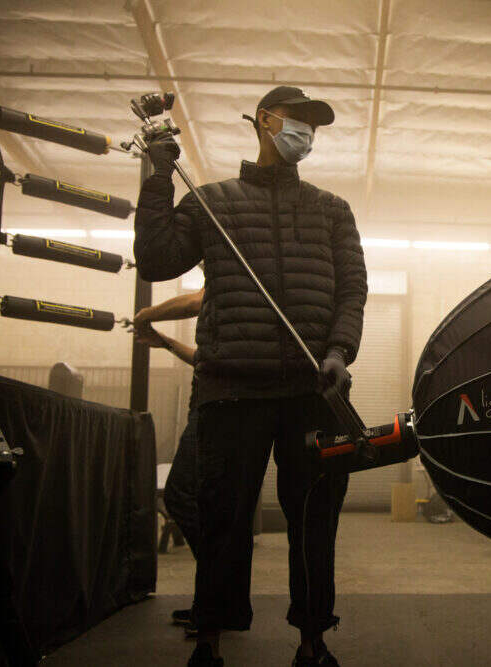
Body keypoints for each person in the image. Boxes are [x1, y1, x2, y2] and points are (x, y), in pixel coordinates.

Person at [134, 86, 367, 667]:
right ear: (266, 121)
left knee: (314, 521)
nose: (307, 134)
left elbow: (352, 291)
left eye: (315, 126)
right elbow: (158, 259)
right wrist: (158, 174)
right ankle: (209, 640)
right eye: (299, 121)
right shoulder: (212, 201)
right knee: (222, 521)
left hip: (312, 392)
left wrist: (340, 350)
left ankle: (313, 642)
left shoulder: (332, 210)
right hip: (231, 390)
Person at [132, 289, 205, 636]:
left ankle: (218, 597)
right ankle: (216, 601)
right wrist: (162, 340)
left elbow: (196, 300)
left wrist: (148, 312)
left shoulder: (229, 272)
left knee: (178, 495)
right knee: (205, 504)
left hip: (211, 409)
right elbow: (204, 357)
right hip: (209, 403)